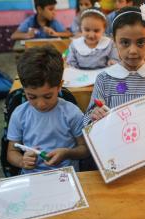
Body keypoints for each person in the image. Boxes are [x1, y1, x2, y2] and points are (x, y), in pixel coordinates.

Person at [83, 5, 145, 165]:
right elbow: (88, 118)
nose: (133, 51)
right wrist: (95, 115)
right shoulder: (105, 79)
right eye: (125, 42)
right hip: (119, 157)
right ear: (114, 42)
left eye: (141, 42)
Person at [7, 46, 89, 174]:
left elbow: (85, 149)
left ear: (60, 86)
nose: (40, 104)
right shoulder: (19, 114)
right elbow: (12, 151)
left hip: (66, 176)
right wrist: (22, 161)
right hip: (31, 177)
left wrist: (67, 153)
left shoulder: (72, 113)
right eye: (31, 96)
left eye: (47, 96)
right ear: (24, 89)